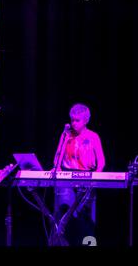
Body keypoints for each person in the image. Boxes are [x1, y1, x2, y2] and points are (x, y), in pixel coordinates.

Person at [52, 103, 105, 245]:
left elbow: (101, 162)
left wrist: (96, 179)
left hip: (87, 178)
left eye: (77, 120)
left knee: (86, 216)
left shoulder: (93, 137)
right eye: (72, 120)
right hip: (67, 179)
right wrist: (57, 170)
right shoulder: (66, 136)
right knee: (64, 214)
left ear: (86, 120)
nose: (73, 123)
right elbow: (57, 158)